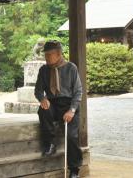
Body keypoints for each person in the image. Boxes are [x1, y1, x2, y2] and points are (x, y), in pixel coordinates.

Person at [35, 40, 83, 178]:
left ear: (58, 54)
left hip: (69, 105)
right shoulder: (43, 70)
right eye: (45, 55)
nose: (46, 58)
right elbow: (38, 91)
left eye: (49, 55)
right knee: (43, 110)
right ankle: (50, 143)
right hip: (53, 104)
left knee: (72, 136)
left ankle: (74, 170)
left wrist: (72, 110)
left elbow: (78, 92)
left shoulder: (71, 68)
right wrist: (42, 99)